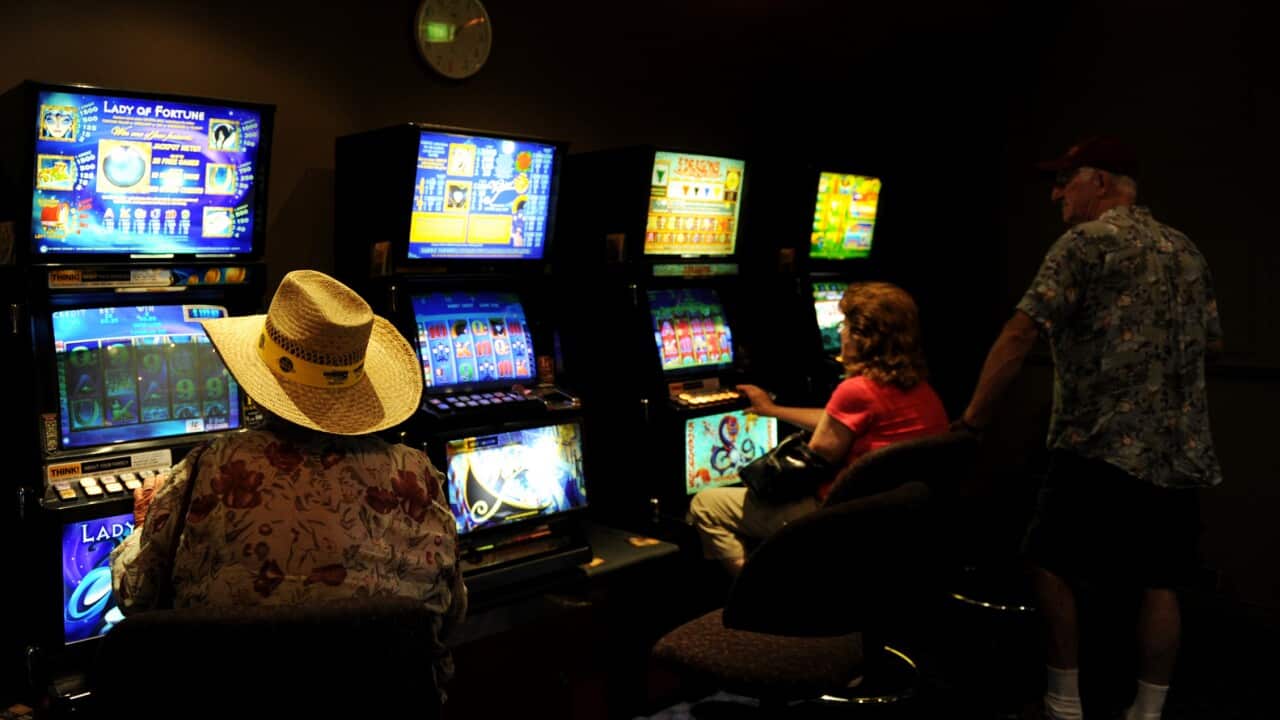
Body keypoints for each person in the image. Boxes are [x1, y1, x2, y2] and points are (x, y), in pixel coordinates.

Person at [955, 137, 1222, 720]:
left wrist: (973, 421)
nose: (1056, 194)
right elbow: (1213, 342)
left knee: (1047, 559)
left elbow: (1021, 332)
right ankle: (1147, 712)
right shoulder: (1185, 248)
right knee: (1161, 579)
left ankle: (1063, 703)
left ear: (1100, 183)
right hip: (1179, 449)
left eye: (1064, 180)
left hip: (1098, 443)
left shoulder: (1085, 241)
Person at [111, 270, 467, 699]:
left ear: (259, 382)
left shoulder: (214, 467)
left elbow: (136, 597)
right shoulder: (417, 477)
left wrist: (142, 525)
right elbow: (447, 615)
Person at [687, 281, 949, 576]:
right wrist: (771, 411)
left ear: (864, 338)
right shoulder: (920, 390)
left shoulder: (857, 390)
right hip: (893, 519)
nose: (840, 333)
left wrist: (755, 473)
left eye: (845, 325)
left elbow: (811, 463)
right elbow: (839, 421)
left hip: (835, 516)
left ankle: (756, 596)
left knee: (707, 503)